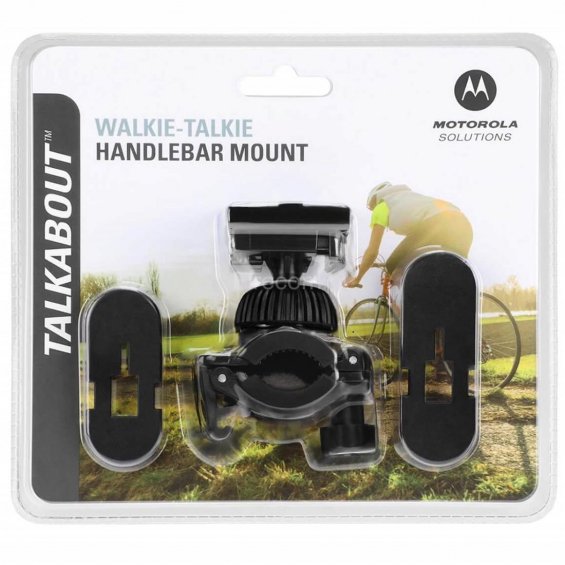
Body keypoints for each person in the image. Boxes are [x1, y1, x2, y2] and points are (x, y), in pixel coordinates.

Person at [343, 182, 473, 287]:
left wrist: (358, 278)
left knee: (391, 264)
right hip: (463, 225)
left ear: (374, 200)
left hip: (437, 223)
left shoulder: (381, 206)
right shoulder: (408, 198)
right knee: (455, 274)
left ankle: (405, 303)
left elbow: (372, 251)